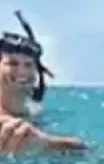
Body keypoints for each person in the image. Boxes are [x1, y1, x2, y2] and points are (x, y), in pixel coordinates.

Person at [0, 11, 86, 154]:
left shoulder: (34, 111)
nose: (22, 72)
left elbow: (82, 148)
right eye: (13, 64)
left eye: (28, 65)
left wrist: (43, 142)